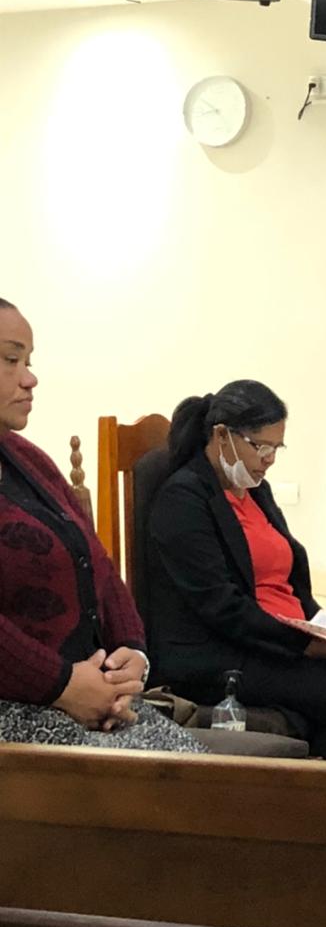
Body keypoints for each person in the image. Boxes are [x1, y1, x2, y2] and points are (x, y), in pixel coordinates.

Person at [148, 381, 326, 763]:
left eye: (277, 448)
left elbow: (289, 579)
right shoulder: (183, 499)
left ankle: (319, 786)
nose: (269, 459)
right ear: (221, 435)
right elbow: (220, 606)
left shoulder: (257, 492)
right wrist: (305, 644)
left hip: (274, 640)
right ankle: (319, 795)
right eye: (261, 447)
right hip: (222, 652)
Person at [0, 299, 205, 753]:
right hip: (20, 709)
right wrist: (62, 685)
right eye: (11, 359)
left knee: (210, 781)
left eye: (29, 362)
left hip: (87, 697)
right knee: (183, 789)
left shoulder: (28, 459)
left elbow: (96, 560)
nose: (30, 378)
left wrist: (131, 652)